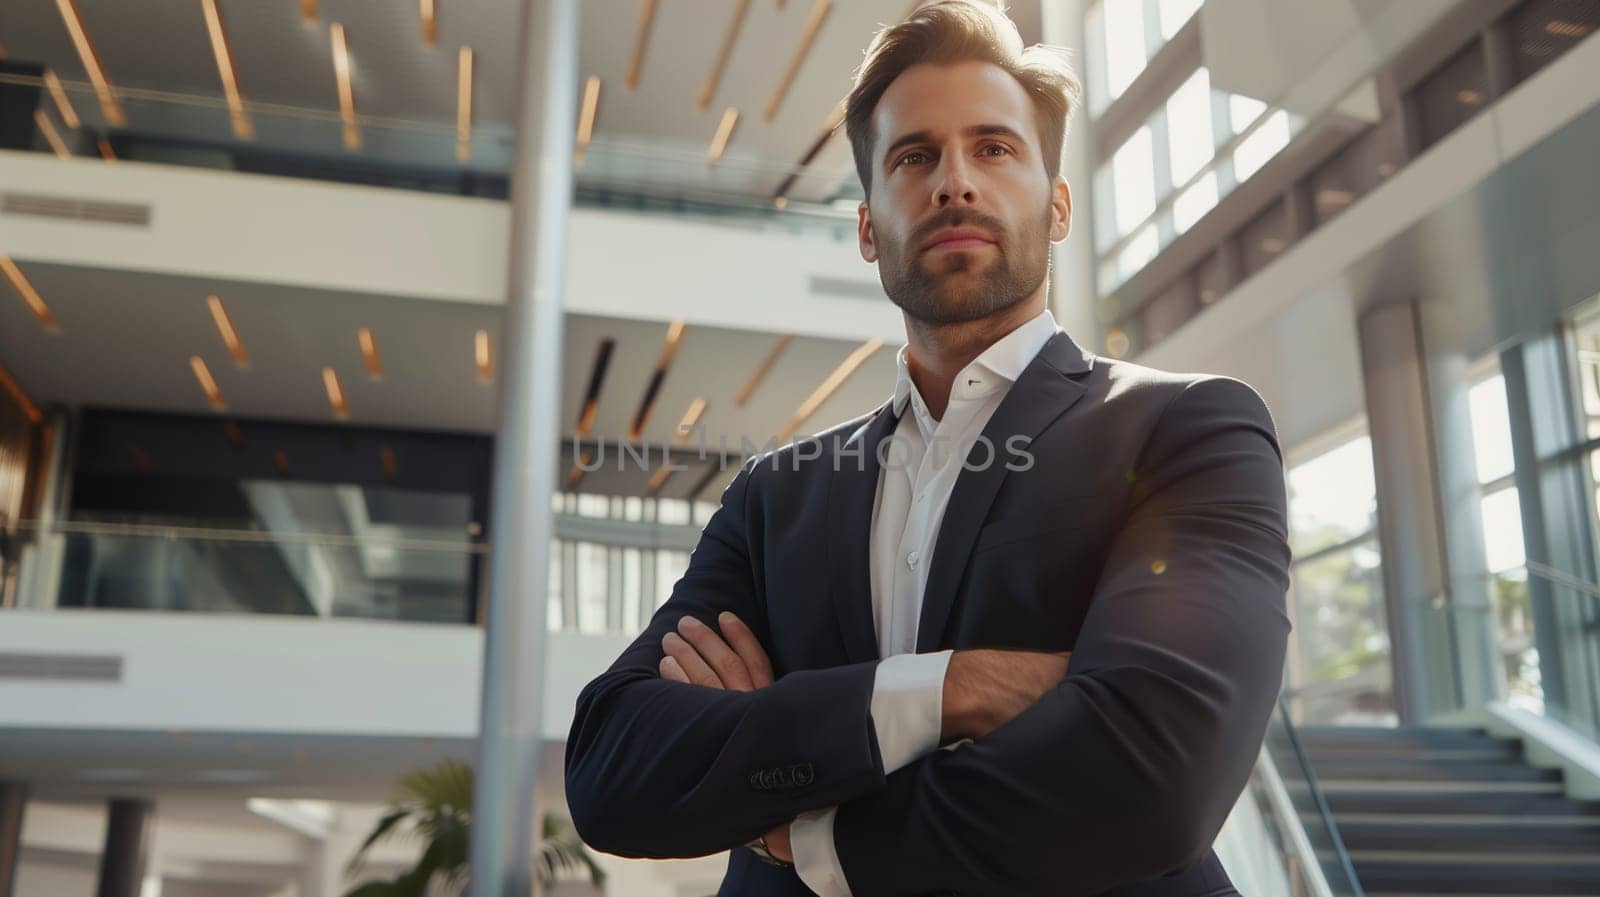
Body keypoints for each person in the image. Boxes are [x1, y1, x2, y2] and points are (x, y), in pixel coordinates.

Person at [565, 2, 1291, 894]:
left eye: (994, 148)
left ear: (1057, 205)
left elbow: (1153, 777)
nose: (954, 182)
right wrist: (955, 688)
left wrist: (803, 830)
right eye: (915, 157)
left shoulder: (1188, 432)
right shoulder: (775, 496)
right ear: (868, 226)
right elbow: (612, 766)